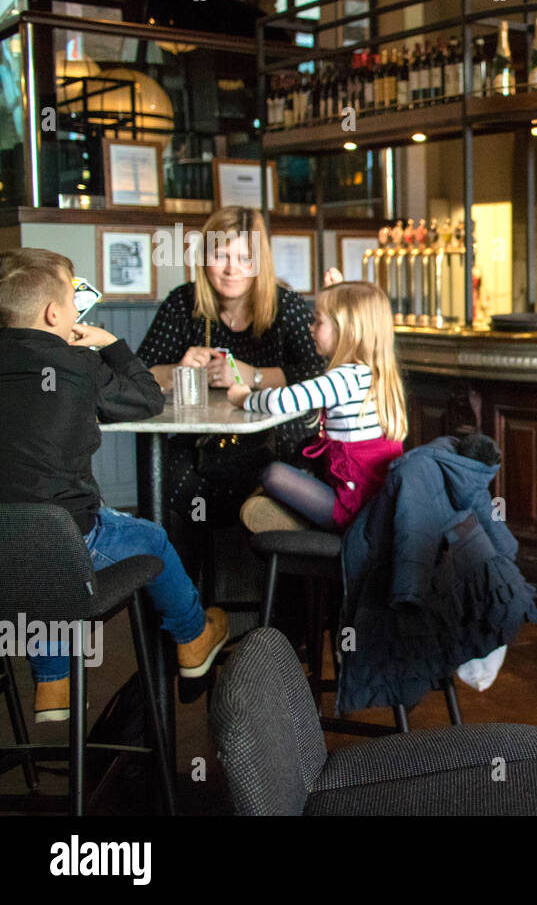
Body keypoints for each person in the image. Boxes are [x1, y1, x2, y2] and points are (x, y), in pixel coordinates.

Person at [0, 249, 227, 722]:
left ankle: (53, 684)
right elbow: (146, 399)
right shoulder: (77, 365)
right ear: (55, 313)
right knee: (151, 540)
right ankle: (193, 638)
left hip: (7, 555)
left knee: (33, 549)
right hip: (71, 540)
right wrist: (111, 344)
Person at [134, 207, 325, 555]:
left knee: (261, 480)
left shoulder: (286, 306)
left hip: (273, 442)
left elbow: (317, 374)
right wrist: (179, 370)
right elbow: (137, 376)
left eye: (243, 257)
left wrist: (249, 374)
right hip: (205, 444)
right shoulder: (183, 302)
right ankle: (195, 592)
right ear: (204, 259)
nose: (231, 268)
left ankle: (251, 579)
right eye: (220, 255)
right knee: (168, 474)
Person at [234, 281, 407, 533]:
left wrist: (243, 397)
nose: (311, 328)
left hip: (352, 511)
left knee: (272, 473)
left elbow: (279, 401)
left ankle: (296, 524)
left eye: (318, 321)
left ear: (347, 329)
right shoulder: (372, 375)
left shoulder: (344, 379)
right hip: (371, 504)